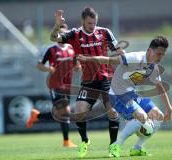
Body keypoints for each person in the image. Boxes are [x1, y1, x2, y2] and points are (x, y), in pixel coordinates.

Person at [77, 36, 172, 157]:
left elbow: (160, 87)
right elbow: (110, 60)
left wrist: (168, 107)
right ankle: (116, 145)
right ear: (149, 51)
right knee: (141, 117)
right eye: (158, 54)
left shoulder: (153, 68)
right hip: (116, 94)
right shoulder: (134, 58)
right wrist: (88, 58)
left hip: (131, 94)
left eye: (162, 55)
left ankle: (137, 148)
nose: (160, 57)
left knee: (158, 116)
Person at [50, 7, 121, 158]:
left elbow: (119, 51)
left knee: (113, 112)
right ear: (83, 21)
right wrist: (57, 25)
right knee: (78, 112)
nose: (92, 26)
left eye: (95, 23)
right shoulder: (75, 34)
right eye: (89, 23)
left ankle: (114, 146)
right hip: (89, 81)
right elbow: (53, 38)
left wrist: (126, 58)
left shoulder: (104, 32)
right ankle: (84, 141)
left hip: (107, 78)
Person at [26, 24, 79, 148]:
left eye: (64, 33)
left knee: (60, 114)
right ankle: (66, 141)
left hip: (67, 85)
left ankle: (37, 116)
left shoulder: (72, 48)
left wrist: (78, 67)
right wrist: (49, 68)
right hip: (55, 83)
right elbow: (39, 65)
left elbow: (76, 64)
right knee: (65, 112)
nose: (62, 36)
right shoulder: (50, 49)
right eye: (59, 33)